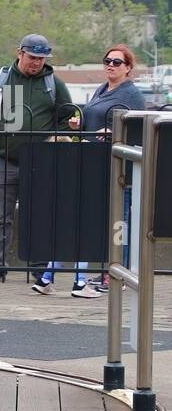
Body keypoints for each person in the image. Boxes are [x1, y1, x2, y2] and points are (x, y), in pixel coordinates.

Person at [0, 33, 74, 288]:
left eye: (41, 59)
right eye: (32, 57)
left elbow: (68, 116)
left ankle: (39, 268)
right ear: (19, 52)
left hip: (40, 161)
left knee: (39, 215)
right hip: (1, 159)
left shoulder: (54, 84)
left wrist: (58, 137)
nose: (36, 63)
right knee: (0, 216)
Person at [63, 44, 147, 296]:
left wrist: (114, 133)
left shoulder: (131, 94)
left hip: (119, 168)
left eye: (117, 62)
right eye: (107, 60)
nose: (110, 65)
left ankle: (118, 276)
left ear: (128, 68)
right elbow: (96, 119)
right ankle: (109, 271)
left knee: (119, 221)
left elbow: (138, 128)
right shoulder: (102, 89)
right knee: (103, 221)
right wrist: (79, 124)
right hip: (95, 164)